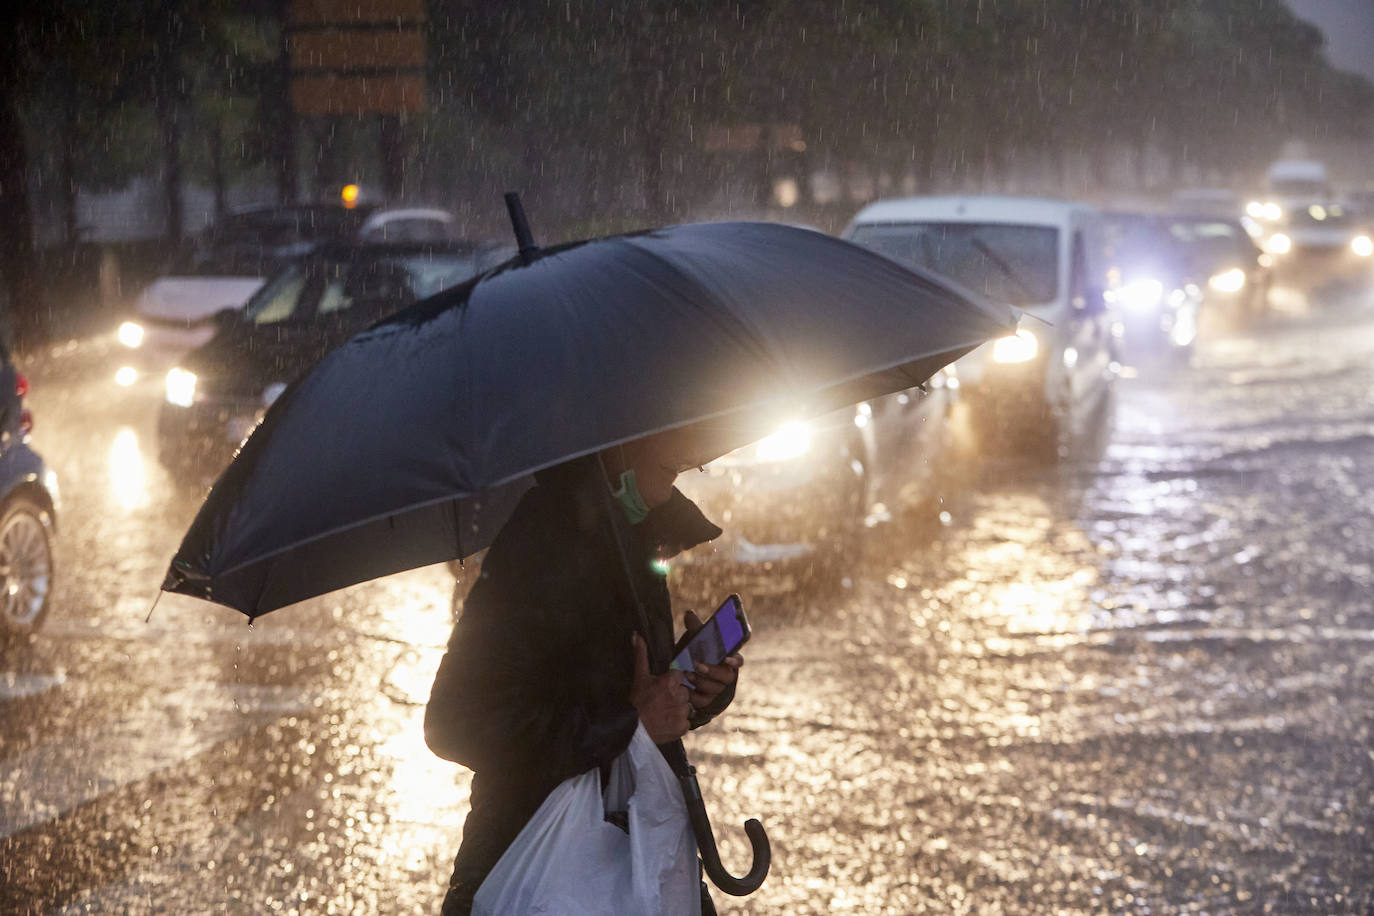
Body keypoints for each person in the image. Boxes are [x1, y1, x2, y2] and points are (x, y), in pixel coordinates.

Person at [425, 429, 745, 915]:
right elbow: (455, 722)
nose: (685, 445)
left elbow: (617, 684)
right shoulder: (540, 544)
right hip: (533, 866)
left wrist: (688, 689)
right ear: (615, 437)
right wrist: (628, 724)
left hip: (635, 856)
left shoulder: (635, 537)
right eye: (664, 423)